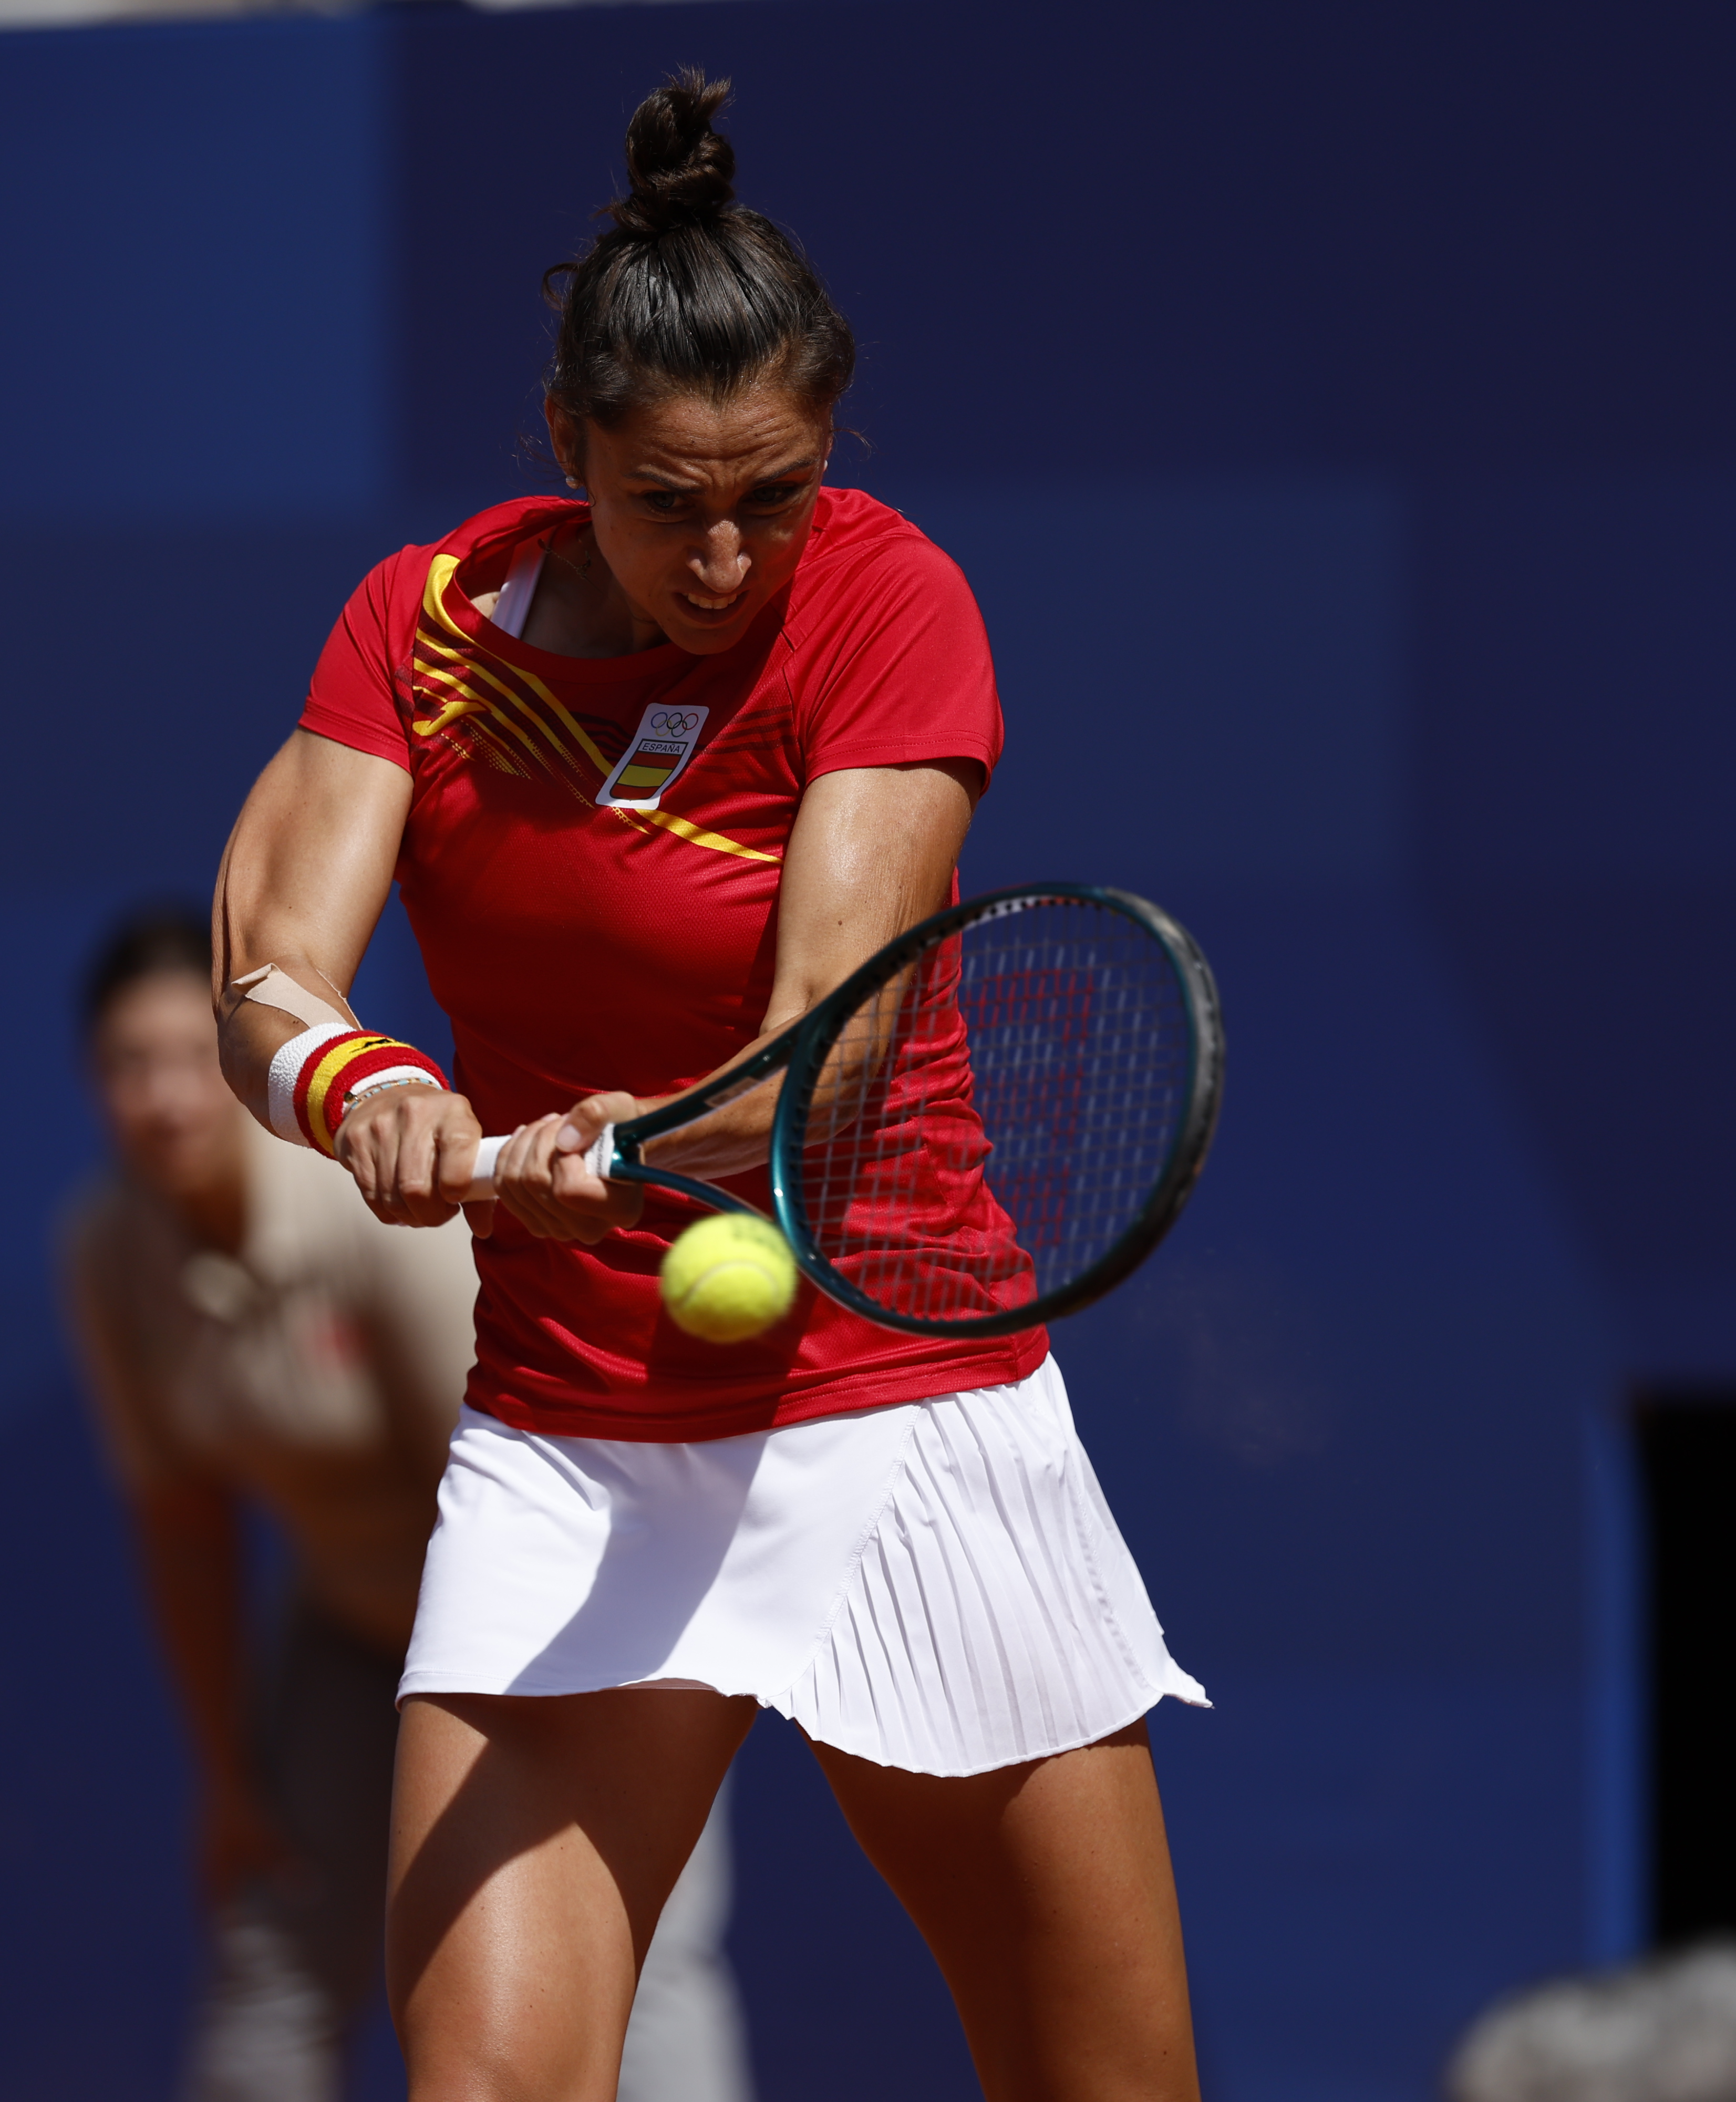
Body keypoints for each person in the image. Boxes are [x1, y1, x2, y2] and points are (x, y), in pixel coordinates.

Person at [205, 69, 1211, 2102]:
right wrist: (362, 1084)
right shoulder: (421, 630)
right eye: (668, 499)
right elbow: (267, 964)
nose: (731, 553)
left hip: (900, 1410)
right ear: (564, 446)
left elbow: (828, 1023)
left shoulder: (888, 598)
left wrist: (626, 1143)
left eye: (779, 487)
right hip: (575, 1436)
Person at [63, 905, 755, 2102]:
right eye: (130, 1067)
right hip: (351, 1630)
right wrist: (228, 1768)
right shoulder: (106, 1257)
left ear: (236, 1074)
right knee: (272, 1937)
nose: (165, 1098)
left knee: (631, 1958)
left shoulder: (361, 1220)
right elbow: (183, 1527)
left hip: (570, 1607)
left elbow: (516, 1472)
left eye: (189, 1058)